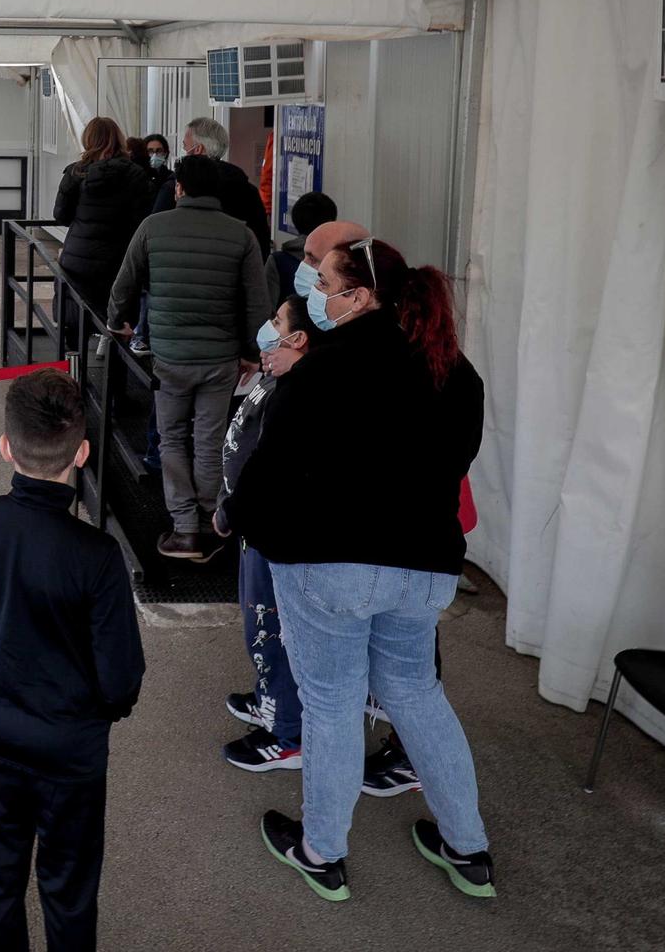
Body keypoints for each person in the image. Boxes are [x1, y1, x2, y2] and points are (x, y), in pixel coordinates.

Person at [223, 238, 493, 903]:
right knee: (416, 694)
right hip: (424, 568)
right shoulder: (455, 372)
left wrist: (238, 518)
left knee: (333, 702)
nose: (314, 291)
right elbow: (456, 464)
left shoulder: (324, 369)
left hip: (329, 566)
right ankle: (469, 847)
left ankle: (322, 851)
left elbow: (271, 467)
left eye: (325, 282)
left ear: (362, 296)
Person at [0, 370, 145, 952]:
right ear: (81, 453)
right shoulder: (97, 556)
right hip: (70, 746)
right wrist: (100, 707)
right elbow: (121, 675)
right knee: (69, 883)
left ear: (6, 446)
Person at [107, 153, 266, 561]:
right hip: (220, 359)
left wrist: (117, 322)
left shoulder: (153, 227)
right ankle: (214, 518)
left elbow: (124, 286)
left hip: (171, 356)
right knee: (209, 439)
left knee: (172, 437)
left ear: (178, 187)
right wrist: (252, 352)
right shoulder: (241, 235)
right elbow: (256, 302)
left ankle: (184, 529)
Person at [213, 294, 321, 773]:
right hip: (252, 525)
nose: (267, 327)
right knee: (259, 624)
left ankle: (288, 733)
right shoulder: (274, 372)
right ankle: (270, 697)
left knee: (273, 627)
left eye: (276, 321)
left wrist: (235, 510)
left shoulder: (299, 389)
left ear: (299, 337)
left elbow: (273, 466)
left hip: (272, 531)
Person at [51, 117, 153, 350]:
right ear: (118, 139)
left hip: (77, 258)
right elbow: (142, 219)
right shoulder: (135, 174)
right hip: (117, 261)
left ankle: (73, 375)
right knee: (116, 324)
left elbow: (61, 216)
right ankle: (113, 379)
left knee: (74, 325)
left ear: (88, 139)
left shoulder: (76, 172)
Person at [152, 117, 270, 258]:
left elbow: (155, 232)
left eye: (184, 146)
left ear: (198, 149)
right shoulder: (247, 190)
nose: (183, 152)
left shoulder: (178, 186)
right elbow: (261, 244)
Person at [268, 191, 338, 307]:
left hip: (288, 323)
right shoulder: (340, 261)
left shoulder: (278, 261)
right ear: (331, 223)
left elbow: (266, 306)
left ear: (296, 220)